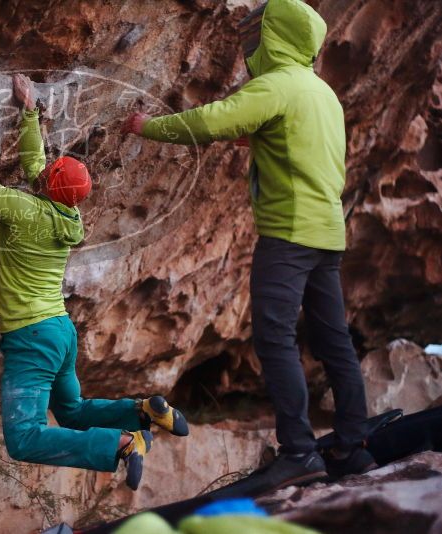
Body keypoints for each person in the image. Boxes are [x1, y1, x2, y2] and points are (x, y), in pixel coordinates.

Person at [121, 0, 374, 493]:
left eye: (259, 29)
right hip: (327, 234)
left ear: (274, 35)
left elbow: (214, 121)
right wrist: (256, 139)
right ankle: (353, 446)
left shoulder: (275, 85)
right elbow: (294, 141)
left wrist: (147, 127)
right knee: (333, 340)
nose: (250, 39)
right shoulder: (323, 95)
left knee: (275, 339)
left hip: (288, 234)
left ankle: (299, 453)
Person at [0, 74, 188, 490]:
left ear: (50, 185)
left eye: (49, 171)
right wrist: (29, 110)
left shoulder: (23, 209)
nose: (43, 169)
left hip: (32, 337)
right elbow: (36, 167)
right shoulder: (69, 215)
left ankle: (123, 443)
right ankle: (142, 412)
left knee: (24, 437)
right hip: (60, 331)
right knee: (71, 410)